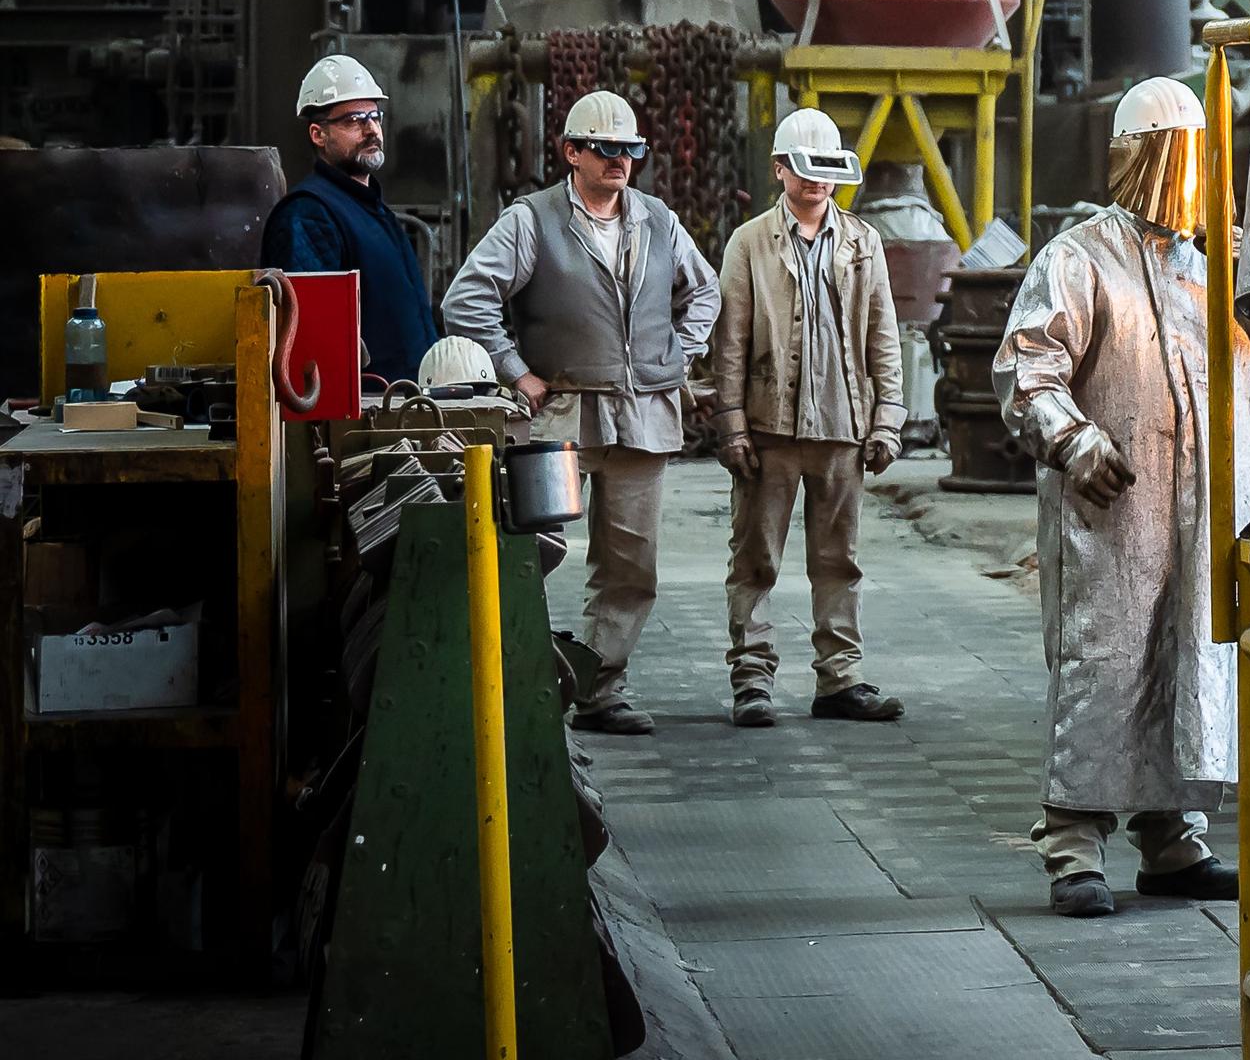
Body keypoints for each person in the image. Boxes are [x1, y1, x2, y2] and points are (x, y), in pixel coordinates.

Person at [992, 78, 1250, 918]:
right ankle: (1073, 845)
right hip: (1110, 515)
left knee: (1185, 663)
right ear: (1141, 159)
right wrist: (1073, 440)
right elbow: (1026, 368)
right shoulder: (1077, 260)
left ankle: (1173, 840)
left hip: (1193, 514)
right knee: (1102, 669)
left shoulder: (1202, 270)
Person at [442, 90, 719, 736]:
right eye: (605, 149)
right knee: (530, 552)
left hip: (643, 414)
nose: (620, 161)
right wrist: (517, 372)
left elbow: (703, 289)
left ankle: (600, 688)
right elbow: (468, 298)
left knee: (630, 563)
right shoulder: (531, 221)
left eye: (630, 150)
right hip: (560, 416)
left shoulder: (658, 221)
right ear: (571, 152)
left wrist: (678, 351)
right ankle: (514, 683)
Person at [707, 106, 907, 730]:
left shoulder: (862, 242)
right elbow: (730, 340)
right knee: (755, 558)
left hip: (844, 427)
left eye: (827, 171)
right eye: (806, 169)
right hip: (770, 430)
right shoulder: (749, 243)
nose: (818, 182)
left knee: (838, 559)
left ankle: (841, 679)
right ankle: (752, 679)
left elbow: (883, 335)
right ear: (780, 171)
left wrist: (887, 419)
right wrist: (733, 424)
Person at [259, 52, 439, 386]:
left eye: (375, 117)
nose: (371, 130)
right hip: (360, 413)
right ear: (318, 134)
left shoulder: (375, 211)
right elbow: (313, 337)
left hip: (402, 402)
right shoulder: (308, 214)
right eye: (353, 120)